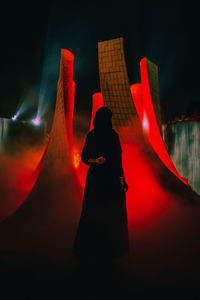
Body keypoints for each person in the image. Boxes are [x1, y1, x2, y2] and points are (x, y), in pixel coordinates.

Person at [73, 107, 129, 259]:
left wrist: (122, 179)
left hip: (102, 179)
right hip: (101, 179)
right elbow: (85, 157)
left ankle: (103, 247)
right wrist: (95, 161)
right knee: (100, 211)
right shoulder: (99, 135)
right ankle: (101, 248)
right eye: (108, 118)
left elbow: (118, 160)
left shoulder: (108, 135)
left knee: (105, 211)